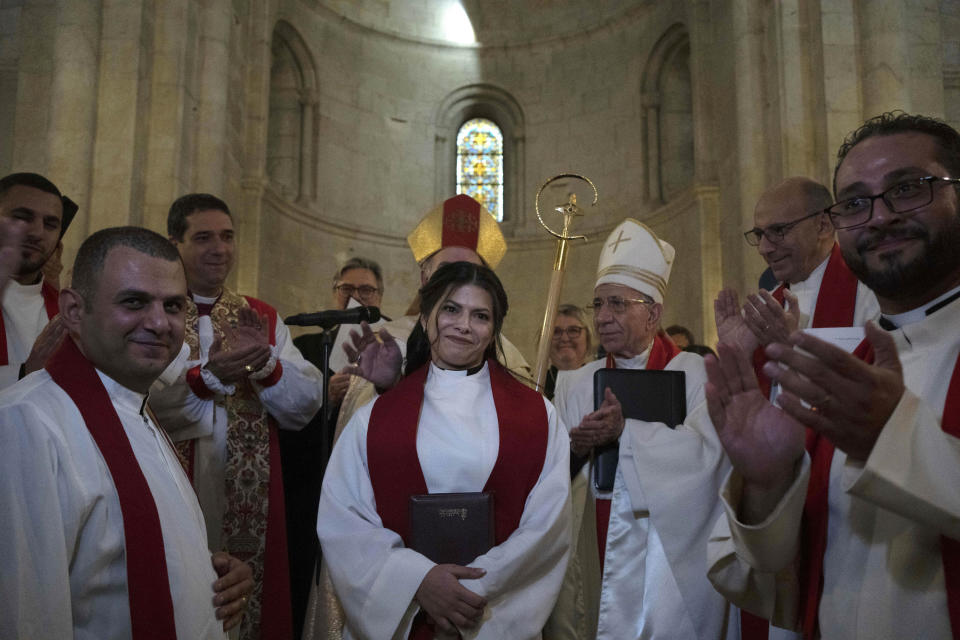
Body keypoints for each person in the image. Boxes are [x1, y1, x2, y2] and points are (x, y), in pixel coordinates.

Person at [705, 112, 960, 638]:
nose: (879, 217)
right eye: (856, 203)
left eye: (907, 188)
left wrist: (892, 438)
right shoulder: (847, 364)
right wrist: (769, 484)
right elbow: (766, 577)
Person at [0, 226, 253, 639]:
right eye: (134, 301)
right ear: (74, 311)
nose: (159, 323)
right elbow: (26, 616)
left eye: (173, 306)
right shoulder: (26, 424)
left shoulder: (137, 408)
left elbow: (110, 555)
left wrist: (203, 569)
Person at [317, 261, 571, 639]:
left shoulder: (538, 416)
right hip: (410, 612)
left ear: (494, 329)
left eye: (480, 315)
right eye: (451, 309)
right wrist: (417, 582)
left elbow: (546, 527)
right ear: (424, 318)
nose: (464, 325)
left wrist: (471, 591)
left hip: (489, 613)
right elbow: (345, 518)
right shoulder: (376, 418)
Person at [545, 218, 738, 640]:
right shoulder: (576, 382)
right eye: (598, 305)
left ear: (653, 313)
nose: (604, 317)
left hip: (667, 550)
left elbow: (708, 458)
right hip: (593, 544)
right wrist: (577, 450)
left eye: (617, 304)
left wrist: (624, 433)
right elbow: (551, 477)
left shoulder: (695, 372)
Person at [150, 193, 323, 640]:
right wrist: (208, 377)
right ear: (175, 244)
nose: (219, 248)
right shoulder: (156, 312)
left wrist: (267, 366)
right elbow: (142, 400)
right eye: (204, 237)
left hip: (250, 501)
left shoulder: (260, 316)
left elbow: (305, 404)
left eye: (227, 237)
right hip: (171, 484)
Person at [286, 255, 386, 639]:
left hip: (368, 485)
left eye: (366, 291)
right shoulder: (309, 345)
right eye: (348, 290)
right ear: (334, 293)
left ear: (380, 297)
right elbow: (286, 419)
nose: (356, 298)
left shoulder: (390, 342)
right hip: (313, 479)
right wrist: (323, 398)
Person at [716, 177, 880, 399]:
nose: (764, 248)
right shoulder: (760, 313)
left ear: (823, 225)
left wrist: (791, 351)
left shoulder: (873, 296)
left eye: (778, 230)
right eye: (759, 235)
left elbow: (877, 399)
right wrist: (738, 359)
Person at [0, 172, 78, 390]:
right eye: (22, 217)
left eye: (50, 224)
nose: (37, 232)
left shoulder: (64, 308)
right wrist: (26, 371)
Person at [545, 303, 594, 400]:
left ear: (588, 339)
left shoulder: (599, 383)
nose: (564, 338)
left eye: (573, 330)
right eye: (556, 332)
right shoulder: (533, 386)